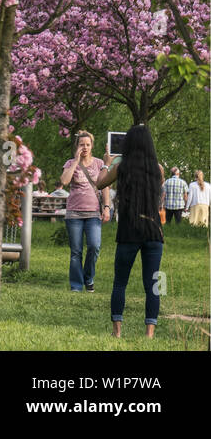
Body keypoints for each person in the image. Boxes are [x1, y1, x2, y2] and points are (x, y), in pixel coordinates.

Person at [82, 125, 165, 338]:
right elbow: (158, 195)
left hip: (129, 231)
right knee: (153, 283)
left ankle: (117, 331)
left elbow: (99, 184)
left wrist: (107, 164)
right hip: (154, 231)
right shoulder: (158, 168)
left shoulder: (122, 168)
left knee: (120, 282)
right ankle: (149, 333)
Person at [60, 131, 113, 292]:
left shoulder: (98, 163)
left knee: (94, 246)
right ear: (77, 146)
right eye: (82, 144)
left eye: (88, 144)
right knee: (76, 251)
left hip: (93, 213)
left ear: (92, 146)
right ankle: (76, 285)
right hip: (74, 213)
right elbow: (64, 181)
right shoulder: (70, 163)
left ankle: (88, 278)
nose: (85, 147)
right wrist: (76, 161)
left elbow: (104, 186)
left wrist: (106, 207)